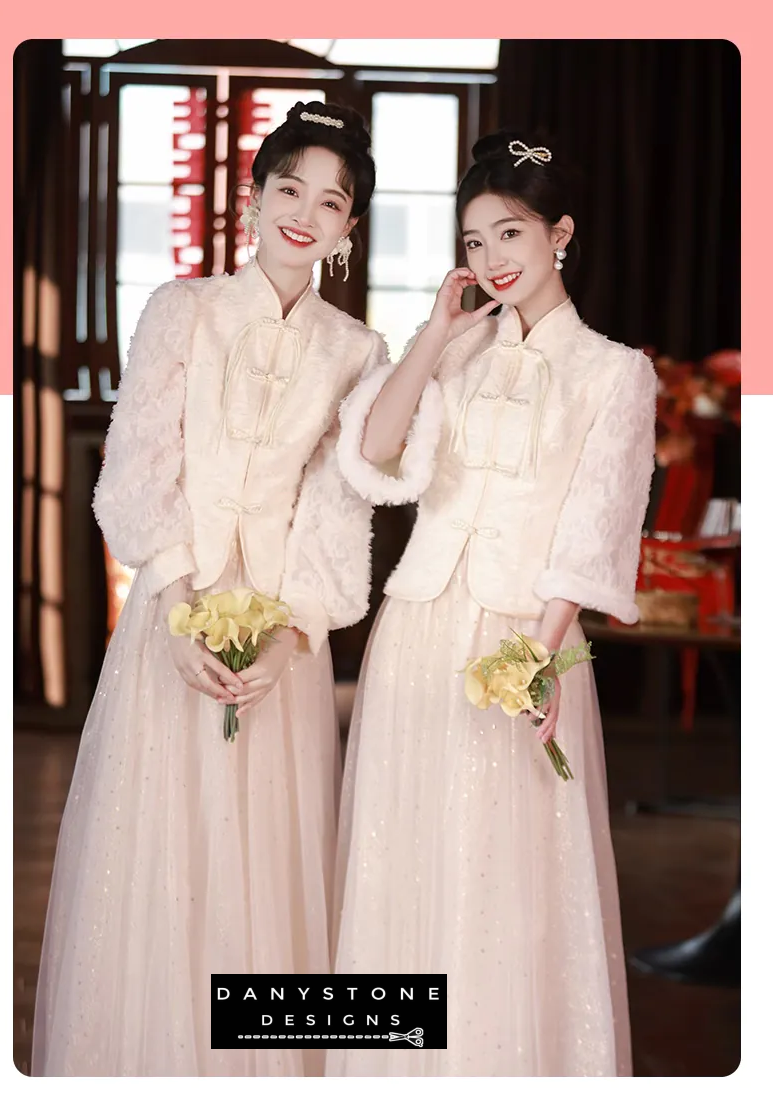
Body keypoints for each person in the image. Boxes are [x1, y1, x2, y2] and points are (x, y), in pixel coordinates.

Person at [32, 101, 400, 1077]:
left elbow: (337, 512)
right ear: (253, 197)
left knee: (267, 869)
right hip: (173, 614)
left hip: (282, 636)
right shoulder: (180, 312)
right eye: (290, 188)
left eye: (332, 202)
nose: (306, 214)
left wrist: (292, 636)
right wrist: (180, 607)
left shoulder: (358, 353)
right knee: (164, 848)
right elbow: (140, 468)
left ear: (348, 228)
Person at [327, 131, 657, 1076]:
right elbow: (377, 455)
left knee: (506, 878)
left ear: (561, 235)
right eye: (473, 243)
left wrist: (540, 658)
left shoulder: (613, 372)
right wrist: (435, 333)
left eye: (509, 234)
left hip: (521, 642)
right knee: (404, 861)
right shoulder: (459, 354)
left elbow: (595, 531)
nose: (491, 260)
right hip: (419, 630)